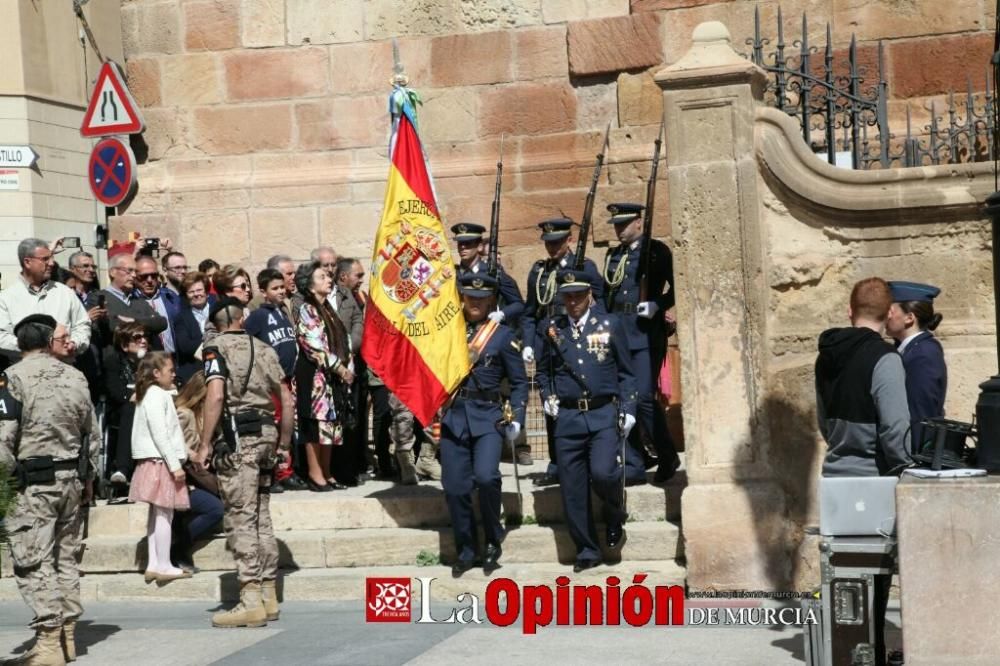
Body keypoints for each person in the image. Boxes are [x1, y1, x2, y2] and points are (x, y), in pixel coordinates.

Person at [815, 277, 911, 666]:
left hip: (836, 475)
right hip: (875, 479)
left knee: (842, 576)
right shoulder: (886, 359)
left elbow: (823, 420)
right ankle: (869, 652)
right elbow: (895, 428)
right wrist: (906, 465)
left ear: (849, 311)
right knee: (877, 575)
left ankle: (849, 653)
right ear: (890, 314)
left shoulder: (826, 356)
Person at [0, 314, 99, 664]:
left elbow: (2, 438)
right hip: (71, 477)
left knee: (32, 561)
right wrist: (88, 478)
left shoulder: (11, 379)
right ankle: (67, 636)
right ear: (45, 341)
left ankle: (48, 643)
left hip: (31, 482)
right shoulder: (76, 376)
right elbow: (92, 432)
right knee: (65, 558)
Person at [196, 297, 293, 628]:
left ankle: (250, 598)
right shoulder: (265, 348)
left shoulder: (214, 349)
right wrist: (284, 442)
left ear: (216, 323)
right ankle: (269, 595)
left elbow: (216, 395)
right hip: (267, 434)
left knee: (241, 516)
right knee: (262, 516)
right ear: (242, 318)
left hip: (238, 439)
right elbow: (286, 397)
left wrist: (206, 443)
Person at [537, 270, 636, 572]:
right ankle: (587, 549)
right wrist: (547, 396)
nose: (573, 301)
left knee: (604, 473)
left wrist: (629, 407)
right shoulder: (551, 328)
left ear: (590, 294)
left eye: (578, 295)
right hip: (567, 418)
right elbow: (543, 370)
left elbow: (626, 371)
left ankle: (614, 511)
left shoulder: (610, 324)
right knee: (572, 488)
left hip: (603, 412)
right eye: (567, 296)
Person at [443, 274, 528, 577]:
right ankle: (466, 550)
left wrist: (517, 417)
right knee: (455, 487)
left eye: (481, 298)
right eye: (469, 297)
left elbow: (519, 383)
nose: (475, 302)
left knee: (487, 477)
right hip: (454, 415)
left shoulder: (503, 335)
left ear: (491, 300)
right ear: (462, 298)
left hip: (489, 415)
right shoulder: (448, 332)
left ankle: (493, 538)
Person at [523, 218, 605, 487]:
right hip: (547, 341)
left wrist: (597, 333)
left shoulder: (583, 267)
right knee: (551, 401)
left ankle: (589, 459)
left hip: (575, 339)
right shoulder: (539, 271)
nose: (552, 247)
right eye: (548, 243)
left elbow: (601, 301)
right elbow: (531, 311)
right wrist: (528, 342)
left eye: (557, 242)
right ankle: (557, 462)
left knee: (581, 396)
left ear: (569, 240)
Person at [601, 203, 680, 484]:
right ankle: (635, 462)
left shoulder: (656, 251)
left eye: (624, 224)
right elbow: (606, 292)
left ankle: (667, 454)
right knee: (624, 398)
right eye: (616, 225)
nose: (619, 230)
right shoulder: (614, 255)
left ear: (638, 222)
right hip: (619, 332)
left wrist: (657, 305)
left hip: (646, 333)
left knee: (645, 398)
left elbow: (677, 286)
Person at [129, 352, 192, 583]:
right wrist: (175, 465)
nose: (174, 374)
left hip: (154, 460)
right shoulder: (157, 395)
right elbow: (161, 433)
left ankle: (154, 562)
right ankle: (163, 564)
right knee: (165, 512)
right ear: (156, 374)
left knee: (157, 513)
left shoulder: (150, 394)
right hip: (161, 461)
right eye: (170, 370)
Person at [293, 261, 354, 491]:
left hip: (331, 376)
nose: (329, 280)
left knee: (330, 424)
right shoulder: (306, 309)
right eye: (322, 277)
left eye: (328, 277)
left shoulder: (328, 308)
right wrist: (339, 367)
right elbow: (312, 344)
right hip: (314, 375)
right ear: (309, 286)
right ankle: (315, 473)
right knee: (314, 424)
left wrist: (348, 366)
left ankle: (327, 472)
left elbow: (343, 339)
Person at [245, 269, 306, 492]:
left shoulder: (283, 312)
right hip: (270, 382)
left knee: (287, 428)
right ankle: (271, 474)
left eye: (282, 287)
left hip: (287, 379)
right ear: (263, 291)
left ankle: (285, 471)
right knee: (274, 426)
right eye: (275, 288)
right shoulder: (258, 316)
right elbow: (248, 343)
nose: (281, 291)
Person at [0, 238, 90, 363]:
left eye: (51, 258)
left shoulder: (64, 292)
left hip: (64, 372)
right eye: (45, 259)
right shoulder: (6, 298)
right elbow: (1, 337)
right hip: (25, 374)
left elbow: (82, 325)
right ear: (27, 262)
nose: (52, 263)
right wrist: (35, 348)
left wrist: (74, 343)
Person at [886, 281, 947, 453]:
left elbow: (921, 413)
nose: (886, 316)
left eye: (891, 310)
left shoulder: (923, 353)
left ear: (909, 318)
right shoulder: (908, 349)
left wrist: (916, 458)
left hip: (916, 452)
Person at [172, 371, 225, 572]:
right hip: (182, 478)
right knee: (215, 509)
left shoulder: (209, 417)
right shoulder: (184, 414)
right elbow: (172, 442)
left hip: (200, 477)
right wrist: (193, 454)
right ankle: (178, 547)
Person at [102, 322, 150, 488]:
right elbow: (116, 391)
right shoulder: (113, 362)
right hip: (122, 409)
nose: (143, 341)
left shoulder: (152, 362)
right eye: (137, 338)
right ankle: (122, 469)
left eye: (144, 337)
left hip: (150, 407)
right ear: (124, 345)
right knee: (131, 408)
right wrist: (134, 395)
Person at [87, 251, 168, 345]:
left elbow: (161, 323)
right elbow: (111, 325)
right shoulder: (98, 297)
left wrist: (133, 320)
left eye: (135, 272)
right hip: (114, 357)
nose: (134, 275)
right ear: (113, 272)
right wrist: (147, 322)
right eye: (129, 271)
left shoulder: (138, 300)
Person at [452, 223, 524, 325]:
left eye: (468, 243)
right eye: (460, 243)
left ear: (480, 247)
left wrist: (502, 314)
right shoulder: (453, 274)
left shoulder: (494, 272)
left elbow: (518, 304)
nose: (463, 247)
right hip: (459, 330)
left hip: (488, 331)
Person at [134, 255, 181, 354]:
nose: (150, 280)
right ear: (135, 276)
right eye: (144, 276)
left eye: (154, 275)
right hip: (147, 361)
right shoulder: (130, 300)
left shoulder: (170, 296)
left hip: (174, 359)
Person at [173, 272, 215, 385]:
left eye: (199, 290)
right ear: (186, 295)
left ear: (206, 292)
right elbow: (185, 346)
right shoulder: (180, 318)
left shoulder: (218, 310)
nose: (196, 294)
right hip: (195, 374)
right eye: (191, 292)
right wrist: (212, 337)